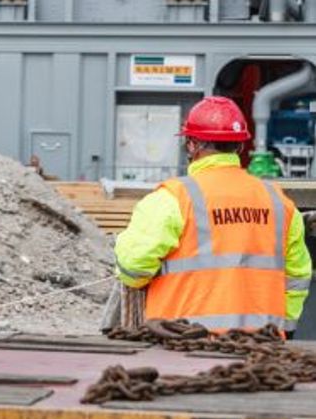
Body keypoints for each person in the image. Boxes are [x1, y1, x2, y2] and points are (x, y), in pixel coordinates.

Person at [115, 95, 311, 332]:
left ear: (191, 144)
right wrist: (284, 328)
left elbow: (133, 269)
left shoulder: (172, 198)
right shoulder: (280, 203)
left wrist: (123, 242)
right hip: (260, 345)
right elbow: (298, 276)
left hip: (180, 342)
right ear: (239, 146)